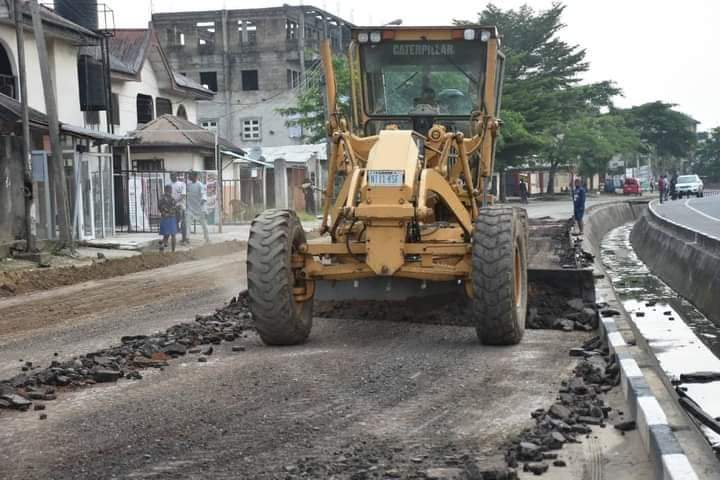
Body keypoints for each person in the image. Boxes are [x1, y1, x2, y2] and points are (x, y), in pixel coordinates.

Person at [186, 171, 210, 243]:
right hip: (190, 209)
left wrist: (203, 202)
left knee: (204, 225)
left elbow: (203, 195)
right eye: (189, 175)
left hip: (200, 209)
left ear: (195, 176)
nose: (189, 176)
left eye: (190, 175)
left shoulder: (200, 185)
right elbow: (186, 195)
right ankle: (187, 238)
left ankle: (207, 238)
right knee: (188, 224)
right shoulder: (188, 185)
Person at [158, 185, 178, 252]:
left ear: (164, 190)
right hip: (171, 218)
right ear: (170, 190)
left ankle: (162, 245)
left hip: (164, 218)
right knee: (173, 235)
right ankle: (173, 251)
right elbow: (175, 209)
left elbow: (159, 207)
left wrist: (163, 212)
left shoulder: (161, 198)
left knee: (166, 235)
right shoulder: (172, 199)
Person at [169, 173, 187, 244]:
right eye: (171, 176)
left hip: (181, 206)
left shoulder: (182, 184)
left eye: (173, 175)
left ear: (176, 176)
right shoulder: (169, 185)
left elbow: (183, 195)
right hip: (172, 207)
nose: (172, 177)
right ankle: (173, 239)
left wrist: (175, 201)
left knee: (183, 223)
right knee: (173, 223)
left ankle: (184, 239)